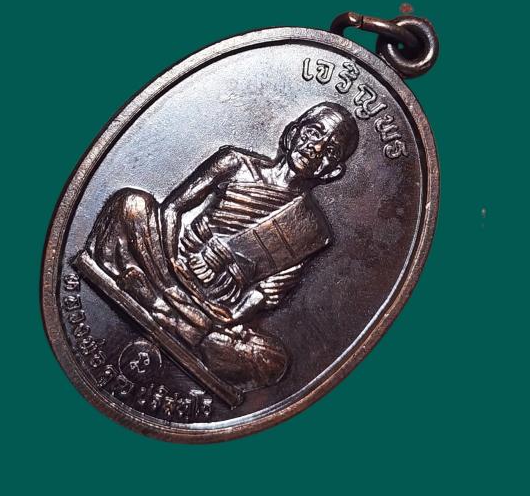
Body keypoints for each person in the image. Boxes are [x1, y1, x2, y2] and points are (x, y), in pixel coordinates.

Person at [85, 102, 359, 392]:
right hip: (170, 264)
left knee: (270, 362)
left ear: (332, 172)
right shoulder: (235, 163)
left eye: (330, 151)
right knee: (131, 205)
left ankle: (159, 303)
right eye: (314, 133)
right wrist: (172, 262)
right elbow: (173, 209)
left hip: (213, 305)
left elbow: (266, 294)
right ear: (293, 133)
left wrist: (230, 317)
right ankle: (180, 319)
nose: (316, 148)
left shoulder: (312, 230)